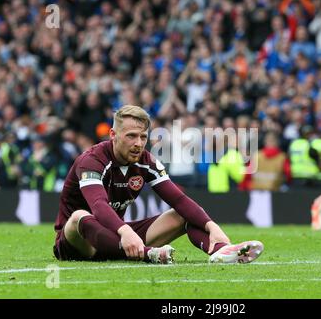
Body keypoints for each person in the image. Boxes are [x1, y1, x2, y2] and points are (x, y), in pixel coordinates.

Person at [53, 105, 264, 263]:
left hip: (119, 238)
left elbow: (179, 199)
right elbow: (99, 206)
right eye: (131, 136)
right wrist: (126, 232)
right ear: (113, 135)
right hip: (78, 244)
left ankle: (220, 251)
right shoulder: (92, 160)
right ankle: (149, 254)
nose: (138, 143)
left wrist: (212, 226)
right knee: (80, 216)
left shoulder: (146, 161)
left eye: (143, 137)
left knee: (181, 214)